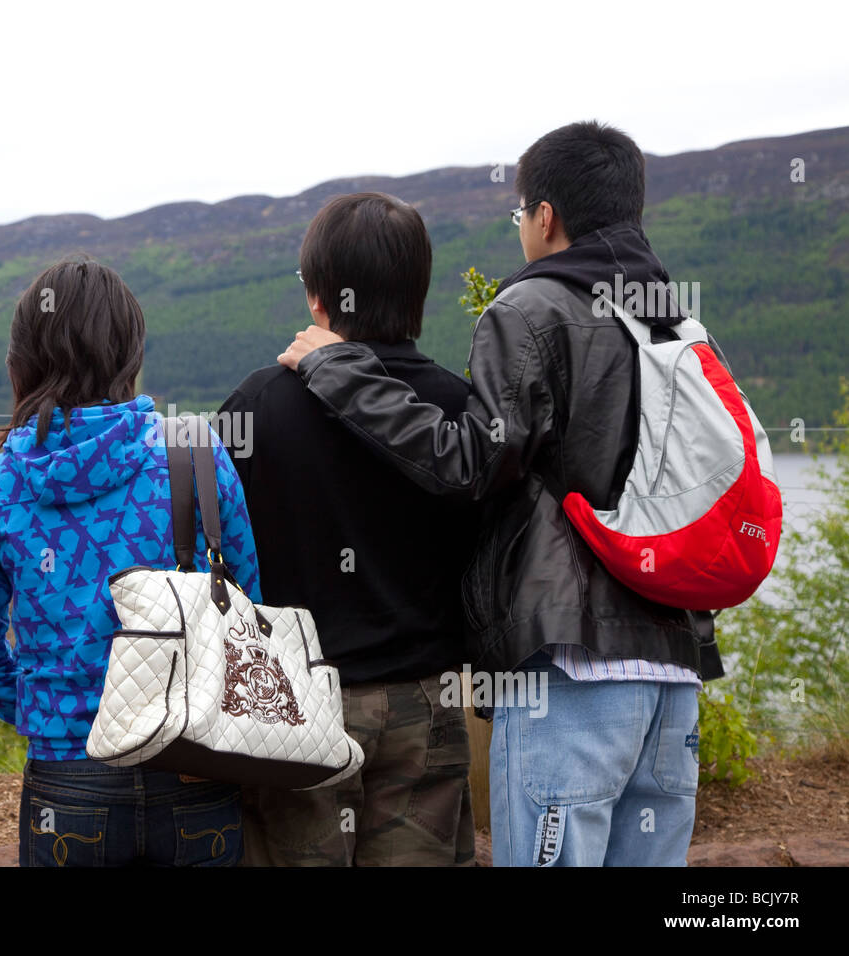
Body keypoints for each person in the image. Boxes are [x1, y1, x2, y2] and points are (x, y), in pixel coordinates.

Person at [279, 122, 719, 867]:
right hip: (674, 671)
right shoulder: (675, 319)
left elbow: (472, 465)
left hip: (573, 676)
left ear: (545, 216)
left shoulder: (533, 308)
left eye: (520, 214)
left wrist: (340, 371)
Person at [0, 255, 261, 867]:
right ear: (130, 355)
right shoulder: (196, 453)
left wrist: (46, 709)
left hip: (67, 776)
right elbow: (246, 602)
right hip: (192, 759)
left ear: (22, 361)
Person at [218, 192, 477, 866]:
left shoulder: (256, 406)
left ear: (318, 298)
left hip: (295, 702)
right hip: (427, 696)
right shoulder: (457, 408)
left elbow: (218, 553)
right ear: (417, 291)